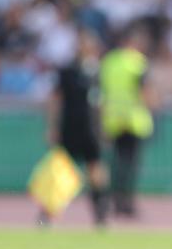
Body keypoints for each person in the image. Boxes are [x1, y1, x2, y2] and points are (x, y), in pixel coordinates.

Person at [45, 29, 108, 225]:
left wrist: (104, 128)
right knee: (61, 171)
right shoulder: (66, 71)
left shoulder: (97, 71)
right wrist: (52, 126)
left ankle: (100, 213)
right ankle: (49, 213)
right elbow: (56, 100)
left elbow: (101, 103)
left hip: (90, 128)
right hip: (70, 127)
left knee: (95, 169)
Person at [100, 25, 154, 218]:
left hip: (112, 119)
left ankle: (111, 201)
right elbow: (144, 91)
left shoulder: (109, 62)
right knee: (130, 165)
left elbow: (102, 91)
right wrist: (153, 109)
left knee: (114, 164)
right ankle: (127, 203)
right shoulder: (137, 63)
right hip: (133, 120)